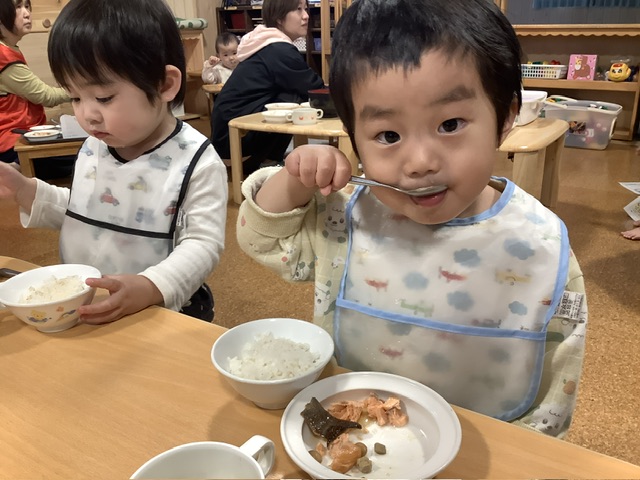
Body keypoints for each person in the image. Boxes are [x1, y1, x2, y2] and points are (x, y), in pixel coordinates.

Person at [236, 0, 588, 438]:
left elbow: (555, 390)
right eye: (388, 135)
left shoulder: (539, 244)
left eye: (450, 124)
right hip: (359, 436)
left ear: (505, 118)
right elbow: (261, 240)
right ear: (354, 139)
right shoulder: (347, 219)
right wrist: (295, 180)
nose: (420, 162)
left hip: (488, 450)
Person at [0, 0, 228, 323]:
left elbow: (203, 244)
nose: (87, 115)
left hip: (161, 313)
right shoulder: (95, 147)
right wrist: (27, 191)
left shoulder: (196, 161)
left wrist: (151, 286)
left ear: (164, 85)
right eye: (75, 97)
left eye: (103, 97)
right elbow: (85, 209)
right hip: (85, 306)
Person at [211, 0, 324, 175]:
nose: (306, 16)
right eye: (298, 9)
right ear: (279, 17)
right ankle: (267, 161)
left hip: (225, 139)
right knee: (294, 98)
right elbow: (315, 87)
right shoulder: (278, 49)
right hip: (235, 143)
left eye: (306, 9)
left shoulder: (263, 42)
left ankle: (269, 159)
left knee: (291, 93)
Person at [0, 0, 71, 177]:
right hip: (12, 143)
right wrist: (81, 91)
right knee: (81, 158)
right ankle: (14, 171)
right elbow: (46, 96)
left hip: (20, 136)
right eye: (18, 7)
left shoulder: (9, 50)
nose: (26, 13)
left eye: (27, 6)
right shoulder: (3, 56)